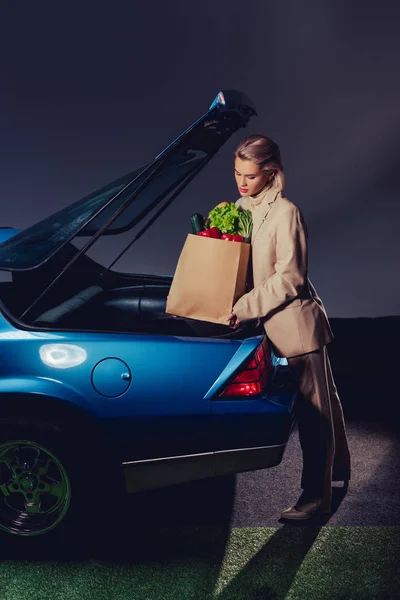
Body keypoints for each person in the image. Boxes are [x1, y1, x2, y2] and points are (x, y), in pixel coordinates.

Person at [227, 134, 351, 520]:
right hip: (270, 325)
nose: (241, 182)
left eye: (249, 176)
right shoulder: (241, 208)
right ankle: (339, 471)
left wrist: (243, 306)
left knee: (315, 417)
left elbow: (291, 278)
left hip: (298, 327)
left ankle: (316, 499)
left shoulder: (287, 213)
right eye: (236, 173)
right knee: (324, 405)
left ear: (270, 173)